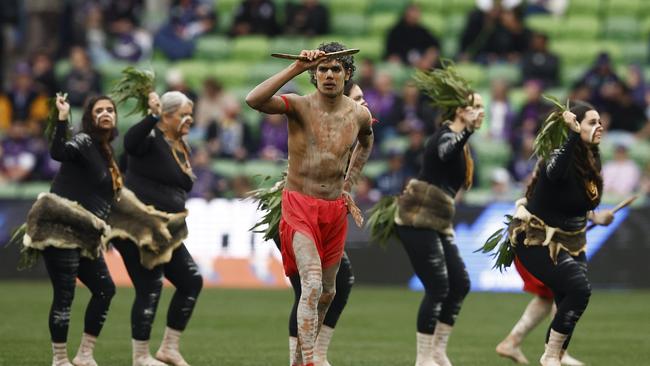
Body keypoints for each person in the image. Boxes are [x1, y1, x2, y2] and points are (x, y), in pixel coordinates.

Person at [246, 42, 373, 366]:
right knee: (313, 284)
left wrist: (349, 182)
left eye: (336, 69)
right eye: (323, 69)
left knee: (328, 291)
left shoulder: (359, 114)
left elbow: (367, 140)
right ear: (315, 75)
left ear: (347, 74)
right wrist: (296, 67)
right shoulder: (299, 106)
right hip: (299, 205)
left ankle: (299, 361)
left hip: (333, 210)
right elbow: (254, 100)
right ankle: (311, 361)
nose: (329, 75)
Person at [503, 101, 613, 366]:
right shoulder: (556, 154)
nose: (599, 127)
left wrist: (597, 216)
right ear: (574, 125)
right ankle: (550, 357)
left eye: (600, 122)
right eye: (591, 122)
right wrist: (573, 136)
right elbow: (554, 174)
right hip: (536, 238)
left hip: (570, 240)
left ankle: (555, 356)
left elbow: (579, 201)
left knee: (568, 298)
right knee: (579, 289)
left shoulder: (592, 156)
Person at [392, 63, 483, 366]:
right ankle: (423, 359)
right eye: (475, 107)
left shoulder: (462, 142)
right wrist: (468, 130)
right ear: (459, 111)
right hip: (418, 217)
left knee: (460, 284)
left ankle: (438, 351)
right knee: (439, 287)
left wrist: (468, 133)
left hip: (439, 220)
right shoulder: (444, 136)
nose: (480, 112)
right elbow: (446, 153)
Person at [19, 94, 120, 366]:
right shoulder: (85, 140)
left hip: (85, 234)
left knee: (105, 290)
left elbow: (102, 198)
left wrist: (101, 233)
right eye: (99, 110)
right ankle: (60, 360)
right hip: (61, 227)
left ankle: (85, 355)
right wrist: (62, 119)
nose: (106, 113)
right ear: (90, 117)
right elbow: (59, 152)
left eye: (110, 109)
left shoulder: (106, 152)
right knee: (65, 294)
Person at [110, 91, 203, 366]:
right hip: (140, 227)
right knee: (150, 285)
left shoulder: (181, 144)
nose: (190, 119)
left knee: (191, 281)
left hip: (167, 231)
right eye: (184, 113)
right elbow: (130, 142)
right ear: (166, 116)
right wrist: (150, 116)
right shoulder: (150, 140)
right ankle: (140, 357)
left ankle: (169, 348)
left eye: (191, 113)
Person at [495, 257, 585, 365]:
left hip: (526, 250)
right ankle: (557, 354)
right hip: (535, 249)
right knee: (565, 289)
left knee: (547, 296)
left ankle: (511, 343)